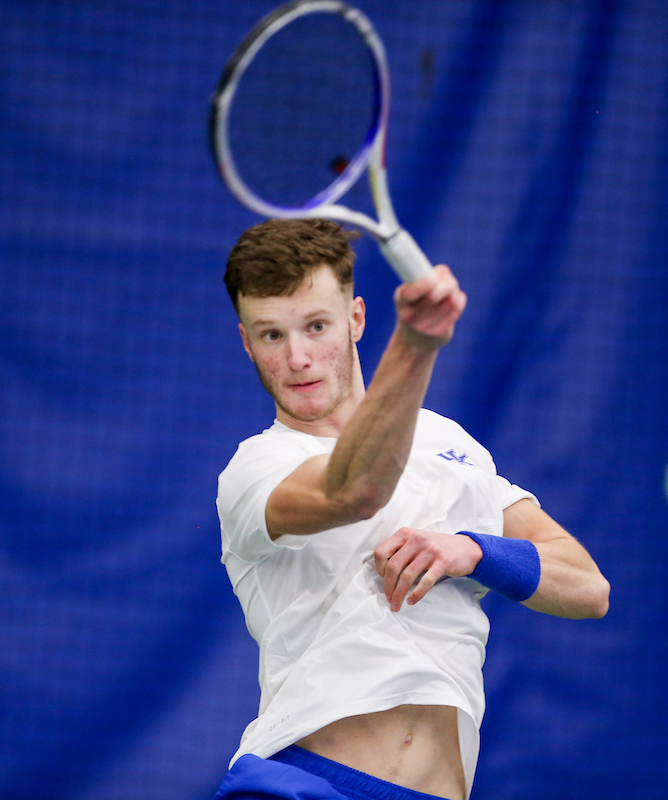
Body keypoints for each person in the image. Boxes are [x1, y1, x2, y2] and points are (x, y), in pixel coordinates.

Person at [214, 219, 609, 800]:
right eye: (271, 335)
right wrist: (417, 343)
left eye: (316, 326)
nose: (297, 357)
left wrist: (475, 551)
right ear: (247, 342)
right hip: (305, 784)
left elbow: (587, 587)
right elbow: (352, 491)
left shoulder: (451, 444)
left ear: (356, 319)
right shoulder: (255, 468)